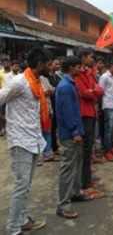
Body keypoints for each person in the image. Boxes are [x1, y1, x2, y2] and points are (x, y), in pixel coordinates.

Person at [1, 48, 51, 235]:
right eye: (48, 63)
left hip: (33, 138)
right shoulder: (19, 82)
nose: (50, 66)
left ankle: (22, 219)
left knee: (26, 185)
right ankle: (13, 228)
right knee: (21, 185)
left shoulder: (36, 82)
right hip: (20, 140)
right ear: (39, 64)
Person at [56, 56, 91, 219]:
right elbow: (67, 113)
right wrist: (75, 132)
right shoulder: (65, 87)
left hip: (76, 131)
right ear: (71, 68)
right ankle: (63, 205)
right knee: (68, 169)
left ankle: (75, 193)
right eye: (78, 67)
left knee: (77, 164)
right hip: (70, 134)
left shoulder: (69, 84)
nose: (80, 70)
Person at [74, 48, 105, 197]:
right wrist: (93, 91)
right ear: (83, 57)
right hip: (83, 114)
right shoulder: (77, 74)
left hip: (91, 112)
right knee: (84, 151)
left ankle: (87, 179)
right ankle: (84, 184)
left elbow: (98, 90)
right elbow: (84, 93)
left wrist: (93, 91)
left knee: (88, 149)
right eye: (91, 57)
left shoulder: (88, 73)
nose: (93, 60)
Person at [99, 60, 113, 161]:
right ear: (111, 66)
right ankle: (106, 151)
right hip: (107, 105)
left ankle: (110, 147)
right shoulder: (104, 77)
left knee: (112, 129)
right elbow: (100, 91)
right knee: (108, 129)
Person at [48, 58, 63, 155]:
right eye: (56, 64)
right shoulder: (46, 77)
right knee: (51, 127)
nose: (58, 66)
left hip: (57, 104)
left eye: (59, 64)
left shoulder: (57, 76)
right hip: (50, 104)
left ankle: (55, 146)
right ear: (50, 64)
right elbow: (49, 90)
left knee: (55, 126)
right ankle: (51, 148)